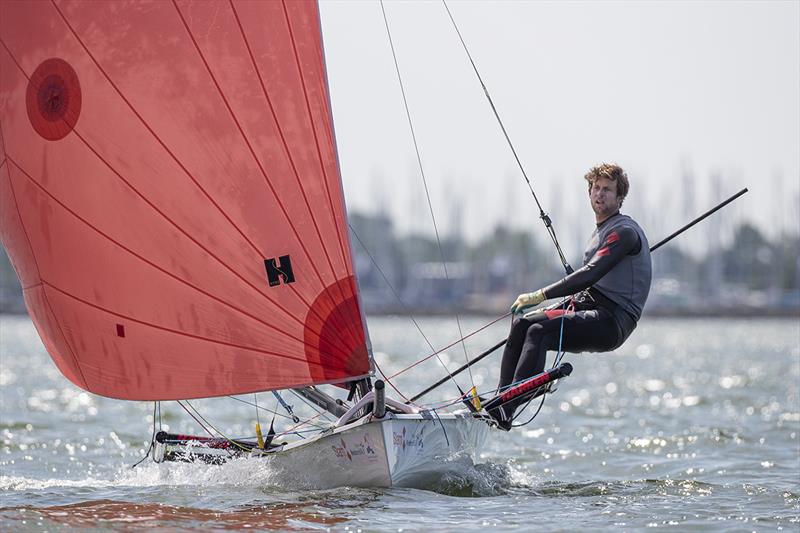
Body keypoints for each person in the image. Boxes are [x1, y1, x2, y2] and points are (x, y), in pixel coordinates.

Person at [491, 163, 652, 430]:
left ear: (620, 197)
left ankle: (507, 408)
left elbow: (590, 274)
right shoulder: (602, 229)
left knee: (539, 330)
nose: (600, 194)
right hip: (593, 308)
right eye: (596, 188)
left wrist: (539, 295)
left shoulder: (624, 232)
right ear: (589, 193)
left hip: (614, 321)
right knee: (523, 324)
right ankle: (500, 400)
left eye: (608, 190)